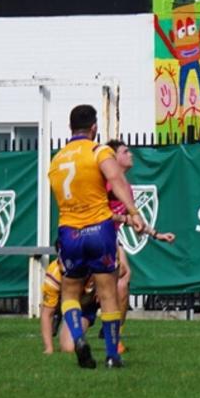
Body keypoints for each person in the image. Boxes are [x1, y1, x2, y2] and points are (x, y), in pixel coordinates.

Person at [49, 104, 145, 370]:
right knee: (108, 292)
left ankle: (79, 338)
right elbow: (116, 180)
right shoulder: (98, 150)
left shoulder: (57, 159)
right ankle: (113, 355)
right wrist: (134, 212)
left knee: (69, 292)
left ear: (70, 128)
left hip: (69, 231)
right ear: (93, 128)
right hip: (99, 229)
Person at [104, 139, 177, 351]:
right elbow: (101, 213)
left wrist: (156, 234)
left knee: (123, 278)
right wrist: (126, 220)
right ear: (114, 157)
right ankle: (109, 328)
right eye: (126, 151)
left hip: (111, 238)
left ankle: (115, 333)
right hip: (98, 236)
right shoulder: (107, 181)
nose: (131, 154)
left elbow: (132, 217)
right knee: (119, 277)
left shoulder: (124, 184)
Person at [39, 258, 98, 354]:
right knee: (69, 348)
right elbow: (47, 313)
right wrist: (49, 348)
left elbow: (120, 270)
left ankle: (114, 343)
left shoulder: (94, 267)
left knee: (120, 287)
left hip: (87, 304)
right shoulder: (54, 276)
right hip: (73, 301)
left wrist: (102, 287)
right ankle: (58, 312)